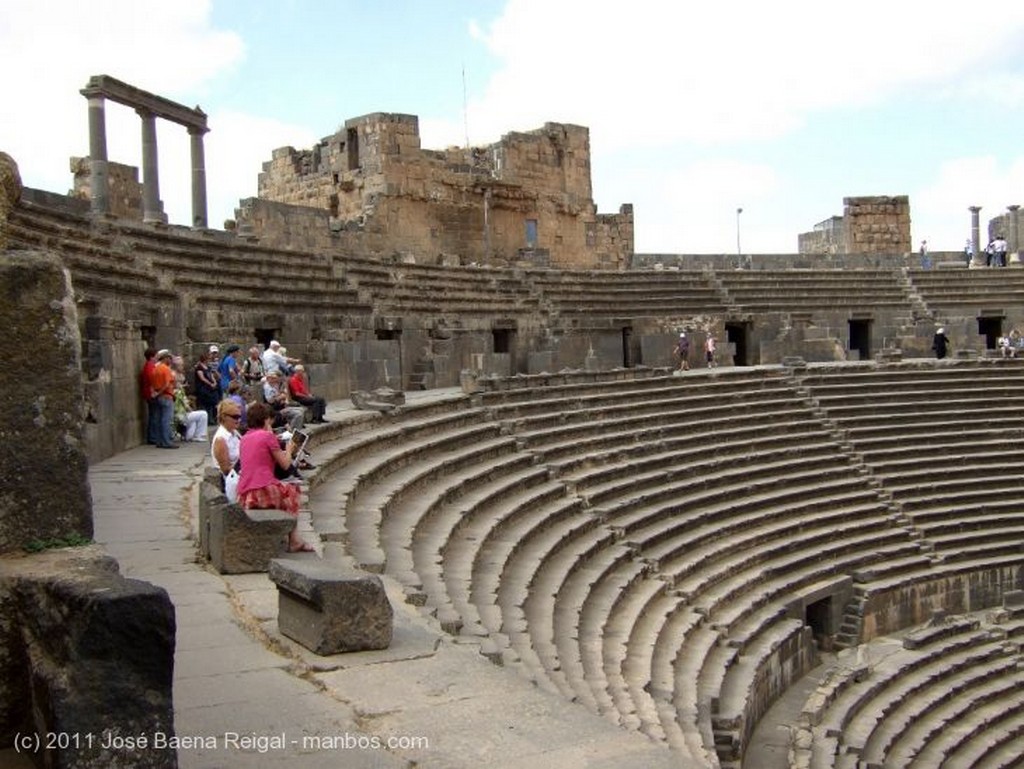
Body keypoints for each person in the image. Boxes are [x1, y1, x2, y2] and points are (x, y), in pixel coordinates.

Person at [236, 402, 313, 553]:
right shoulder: (267, 436)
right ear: (265, 420)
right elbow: (285, 465)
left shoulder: (245, 438)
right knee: (293, 490)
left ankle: (291, 537)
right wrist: (290, 449)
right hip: (262, 490)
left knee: (286, 488)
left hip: (244, 493)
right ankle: (294, 539)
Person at [171, 355, 208, 442]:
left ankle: (190, 435)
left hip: (181, 413)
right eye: (181, 365)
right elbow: (182, 403)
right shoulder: (177, 391)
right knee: (203, 414)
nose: (182, 367)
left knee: (194, 419)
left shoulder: (178, 388)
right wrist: (189, 408)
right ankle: (200, 435)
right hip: (180, 415)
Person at [151, 349, 179, 449]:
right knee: (166, 420)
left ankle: (159, 441)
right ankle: (167, 442)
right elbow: (167, 384)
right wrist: (161, 392)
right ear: (165, 358)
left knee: (159, 419)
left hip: (158, 397)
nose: (170, 360)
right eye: (169, 358)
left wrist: (156, 393)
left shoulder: (155, 369)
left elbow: (153, 384)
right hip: (166, 396)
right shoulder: (165, 369)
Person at [193, 351, 220, 425]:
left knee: (212, 403)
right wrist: (210, 384)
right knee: (205, 404)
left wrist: (214, 382)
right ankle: (206, 420)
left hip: (210, 388)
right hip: (203, 388)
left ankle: (211, 419)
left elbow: (211, 376)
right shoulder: (199, 367)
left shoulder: (208, 367)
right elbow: (202, 378)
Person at [140, 347, 160, 445]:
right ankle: (153, 437)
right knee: (154, 416)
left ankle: (153, 436)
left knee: (154, 415)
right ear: (152, 356)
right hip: (151, 394)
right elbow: (152, 379)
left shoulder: (149, 366)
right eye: (156, 355)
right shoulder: (150, 366)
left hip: (149, 393)